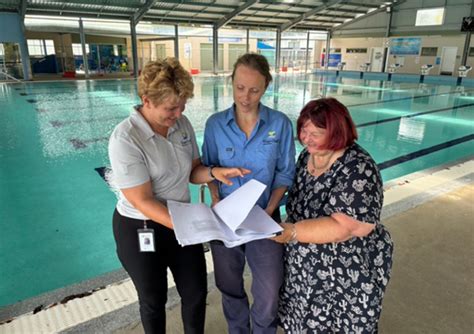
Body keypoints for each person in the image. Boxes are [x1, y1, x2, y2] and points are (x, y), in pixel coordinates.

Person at [108, 58, 249, 334]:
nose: (179, 113)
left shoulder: (181, 124)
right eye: (171, 108)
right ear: (146, 100)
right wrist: (192, 225)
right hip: (141, 225)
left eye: (182, 105)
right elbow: (142, 200)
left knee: (196, 292)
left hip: (181, 220)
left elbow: (193, 170)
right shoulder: (126, 138)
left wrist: (214, 173)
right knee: (153, 299)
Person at [272, 98, 394, 333]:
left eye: (315, 133)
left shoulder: (359, 168)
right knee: (302, 323)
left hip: (345, 273)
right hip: (305, 270)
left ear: (337, 131)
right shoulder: (306, 157)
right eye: (304, 131)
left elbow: (345, 227)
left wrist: (293, 231)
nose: (306, 138)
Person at [202, 53, 296, 333]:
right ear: (231, 83)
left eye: (254, 90)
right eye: (240, 88)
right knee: (229, 287)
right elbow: (208, 168)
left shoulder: (279, 124)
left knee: (268, 291)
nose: (246, 96)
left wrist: (271, 209)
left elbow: (285, 172)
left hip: (265, 218)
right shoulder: (215, 125)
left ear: (266, 87)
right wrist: (216, 198)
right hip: (225, 219)